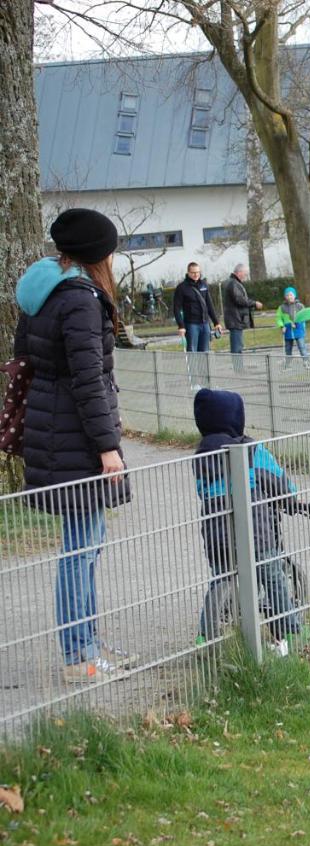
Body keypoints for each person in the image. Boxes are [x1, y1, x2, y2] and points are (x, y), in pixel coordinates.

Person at [13, 208, 134, 684]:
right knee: (81, 548)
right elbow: (88, 379)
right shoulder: (81, 299)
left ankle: (87, 642)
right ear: (97, 253)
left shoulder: (44, 290)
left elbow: (28, 358)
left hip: (53, 430)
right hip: (76, 437)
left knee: (87, 543)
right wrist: (108, 447)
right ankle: (78, 655)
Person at [191, 389, 310, 657]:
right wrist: (295, 501)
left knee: (221, 579)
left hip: (217, 532)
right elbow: (279, 483)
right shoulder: (253, 450)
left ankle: (205, 636)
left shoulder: (201, 457)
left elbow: (203, 491)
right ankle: (292, 628)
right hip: (256, 531)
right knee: (273, 577)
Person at [173, 262, 221, 389]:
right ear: (188, 273)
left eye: (198, 272)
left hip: (205, 323)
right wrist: (181, 326)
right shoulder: (182, 288)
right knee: (192, 352)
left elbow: (209, 304)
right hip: (191, 324)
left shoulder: (203, 285)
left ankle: (206, 382)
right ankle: (195, 383)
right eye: (193, 272)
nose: (196, 275)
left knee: (204, 352)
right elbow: (176, 309)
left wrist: (216, 322)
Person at [222, 263, 261, 373]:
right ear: (239, 272)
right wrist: (254, 303)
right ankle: (238, 369)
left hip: (236, 318)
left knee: (238, 344)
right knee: (237, 346)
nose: (245, 276)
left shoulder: (233, 283)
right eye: (245, 273)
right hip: (235, 319)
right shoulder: (233, 284)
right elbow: (239, 300)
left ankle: (239, 368)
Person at [276, 286, 310, 370]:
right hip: (287, 331)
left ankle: (306, 362)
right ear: (285, 297)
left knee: (302, 347)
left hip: (298, 330)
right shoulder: (281, 308)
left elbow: (304, 317)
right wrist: (281, 326)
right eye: (287, 295)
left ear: (294, 295)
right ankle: (288, 364)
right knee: (288, 349)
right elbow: (279, 318)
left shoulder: (300, 306)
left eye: (291, 295)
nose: (289, 297)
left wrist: (297, 324)